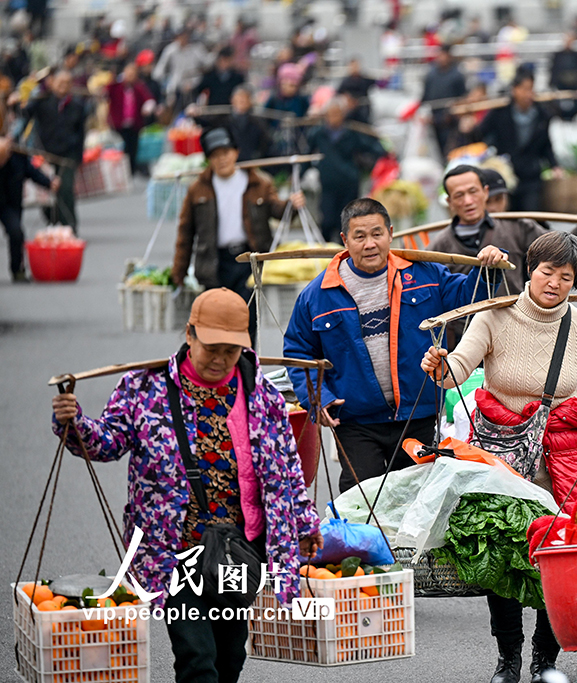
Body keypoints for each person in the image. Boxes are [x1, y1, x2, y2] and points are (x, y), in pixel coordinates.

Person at [51, 288, 323, 683]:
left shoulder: (262, 396)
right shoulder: (145, 389)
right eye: (211, 347)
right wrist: (72, 421)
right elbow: (107, 442)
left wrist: (305, 523)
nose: (220, 359)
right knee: (197, 657)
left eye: (230, 351)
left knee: (230, 656)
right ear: (189, 334)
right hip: (176, 549)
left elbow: (287, 469)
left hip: (240, 550)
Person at [422, 231, 577, 683]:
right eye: (547, 271)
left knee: (558, 560)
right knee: (504, 559)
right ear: (529, 269)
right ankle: (508, 660)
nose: (554, 282)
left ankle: (545, 660)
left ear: (575, 281)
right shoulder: (493, 317)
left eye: (566, 275)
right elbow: (459, 366)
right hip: (501, 457)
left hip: (563, 463)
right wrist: (440, 367)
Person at [283, 198, 509, 493]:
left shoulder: (424, 275)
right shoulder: (318, 295)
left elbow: (469, 296)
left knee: (418, 498)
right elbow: (299, 352)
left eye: (377, 234)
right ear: (344, 240)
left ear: (390, 233)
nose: (370, 244)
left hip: (419, 414)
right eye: (359, 236)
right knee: (362, 500)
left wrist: (490, 266)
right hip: (356, 421)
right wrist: (318, 398)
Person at [172, 128, 306, 335]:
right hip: (214, 264)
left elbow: (277, 210)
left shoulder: (258, 183)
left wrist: (292, 205)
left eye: (225, 152)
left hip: (249, 262)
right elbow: (185, 234)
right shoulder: (198, 189)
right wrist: (178, 274)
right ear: (209, 159)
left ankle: (247, 365)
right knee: (216, 326)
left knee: (246, 323)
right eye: (215, 155)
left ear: (236, 152)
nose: (222, 159)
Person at [432, 164, 577, 293]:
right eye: (459, 195)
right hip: (462, 333)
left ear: (485, 192)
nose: (468, 201)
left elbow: (562, 250)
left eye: (473, 192)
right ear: (450, 202)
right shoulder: (440, 246)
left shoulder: (517, 227)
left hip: (513, 323)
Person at [472, 71, 560, 212]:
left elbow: (546, 144)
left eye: (531, 89)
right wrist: (469, 127)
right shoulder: (500, 112)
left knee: (531, 216)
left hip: (531, 176)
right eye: (524, 89)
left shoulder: (542, 115)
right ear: (514, 90)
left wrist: (555, 166)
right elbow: (479, 135)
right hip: (506, 174)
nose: (528, 94)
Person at [308, 99, 386, 243]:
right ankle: (323, 248)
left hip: (349, 181)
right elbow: (307, 153)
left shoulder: (351, 133)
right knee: (327, 219)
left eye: (337, 114)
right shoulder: (318, 134)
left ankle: (343, 248)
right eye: (331, 114)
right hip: (328, 183)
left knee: (346, 220)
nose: (334, 118)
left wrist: (383, 154)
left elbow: (372, 147)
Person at [18, 69, 88, 232]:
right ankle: (53, 222)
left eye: (67, 83)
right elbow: (25, 113)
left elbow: (81, 132)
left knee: (66, 190)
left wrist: (79, 157)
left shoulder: (77, 105)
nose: (63, 86)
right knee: (46, 192)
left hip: (68, 155)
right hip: (46, 154)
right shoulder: (42, 101)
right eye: (59, 83)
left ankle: (70, 227)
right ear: (53, 84)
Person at [0, 131, 59, 282]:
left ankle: (17, 270)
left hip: (10, 204)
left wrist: (49, 182)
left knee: (16, 233)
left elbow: (32, 172)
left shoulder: (18, 156)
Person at [106, 62, 156, 176]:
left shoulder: (139, 87)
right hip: (118, 124)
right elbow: (106, 92)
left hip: (134, 124)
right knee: (120, 149)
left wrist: (148, 107)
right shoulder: (116, 87)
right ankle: (119, 173)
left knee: (133, 148)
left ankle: (131, 172)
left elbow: (148, 99)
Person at [421, 44, 467, 156]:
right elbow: (425, 96)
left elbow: (462, 97)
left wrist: (453, 112)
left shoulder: (457, 76)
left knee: (450, 148)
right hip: (433, 119)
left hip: (450, 121)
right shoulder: (431, 75)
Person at [153, 30, 210, 110]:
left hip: (194, 86)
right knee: (174, 111)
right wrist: (165, 82)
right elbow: (159, 71)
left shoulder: (196, 49)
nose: (183, 39)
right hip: (176, 87)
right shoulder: (170, 50)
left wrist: (195, 79)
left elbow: (208, 64)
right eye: (180, 36)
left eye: (185, 36)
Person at [548, 32, 577, 121]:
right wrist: (552, 86)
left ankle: (572, 116)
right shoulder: (557, 55)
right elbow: (553, 71)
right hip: (560, 85)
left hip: (576, 85)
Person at [336, 57, 375, 124]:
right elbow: (338, 93)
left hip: (363, 105)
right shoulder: (346, 81)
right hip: (350, 106)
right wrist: (347, 99)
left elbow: (378, 83)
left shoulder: (365, 79)